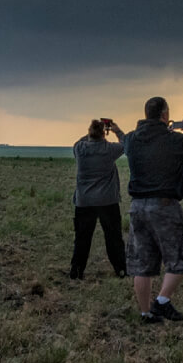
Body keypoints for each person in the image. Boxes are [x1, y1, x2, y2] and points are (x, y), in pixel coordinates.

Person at [122, 97, 183, 323]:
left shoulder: (131, 140)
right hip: (164, 206)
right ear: (164, 115)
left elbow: (125, 140)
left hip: (137, 207)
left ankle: (145, 313)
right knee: (182, 255)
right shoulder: (172, 139)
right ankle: (162, 302)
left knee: (142, 263)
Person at [69, 118, 128, 279]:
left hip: (84, 201)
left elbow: (80, 141)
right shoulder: (109, 149)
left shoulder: (80, 148)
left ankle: (77, 270)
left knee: (82, 238)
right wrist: (115, 130)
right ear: (104, 134)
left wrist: (93, 132)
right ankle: (121, 269)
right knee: (113, 237)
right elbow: (126, 145)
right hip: (107, 201)